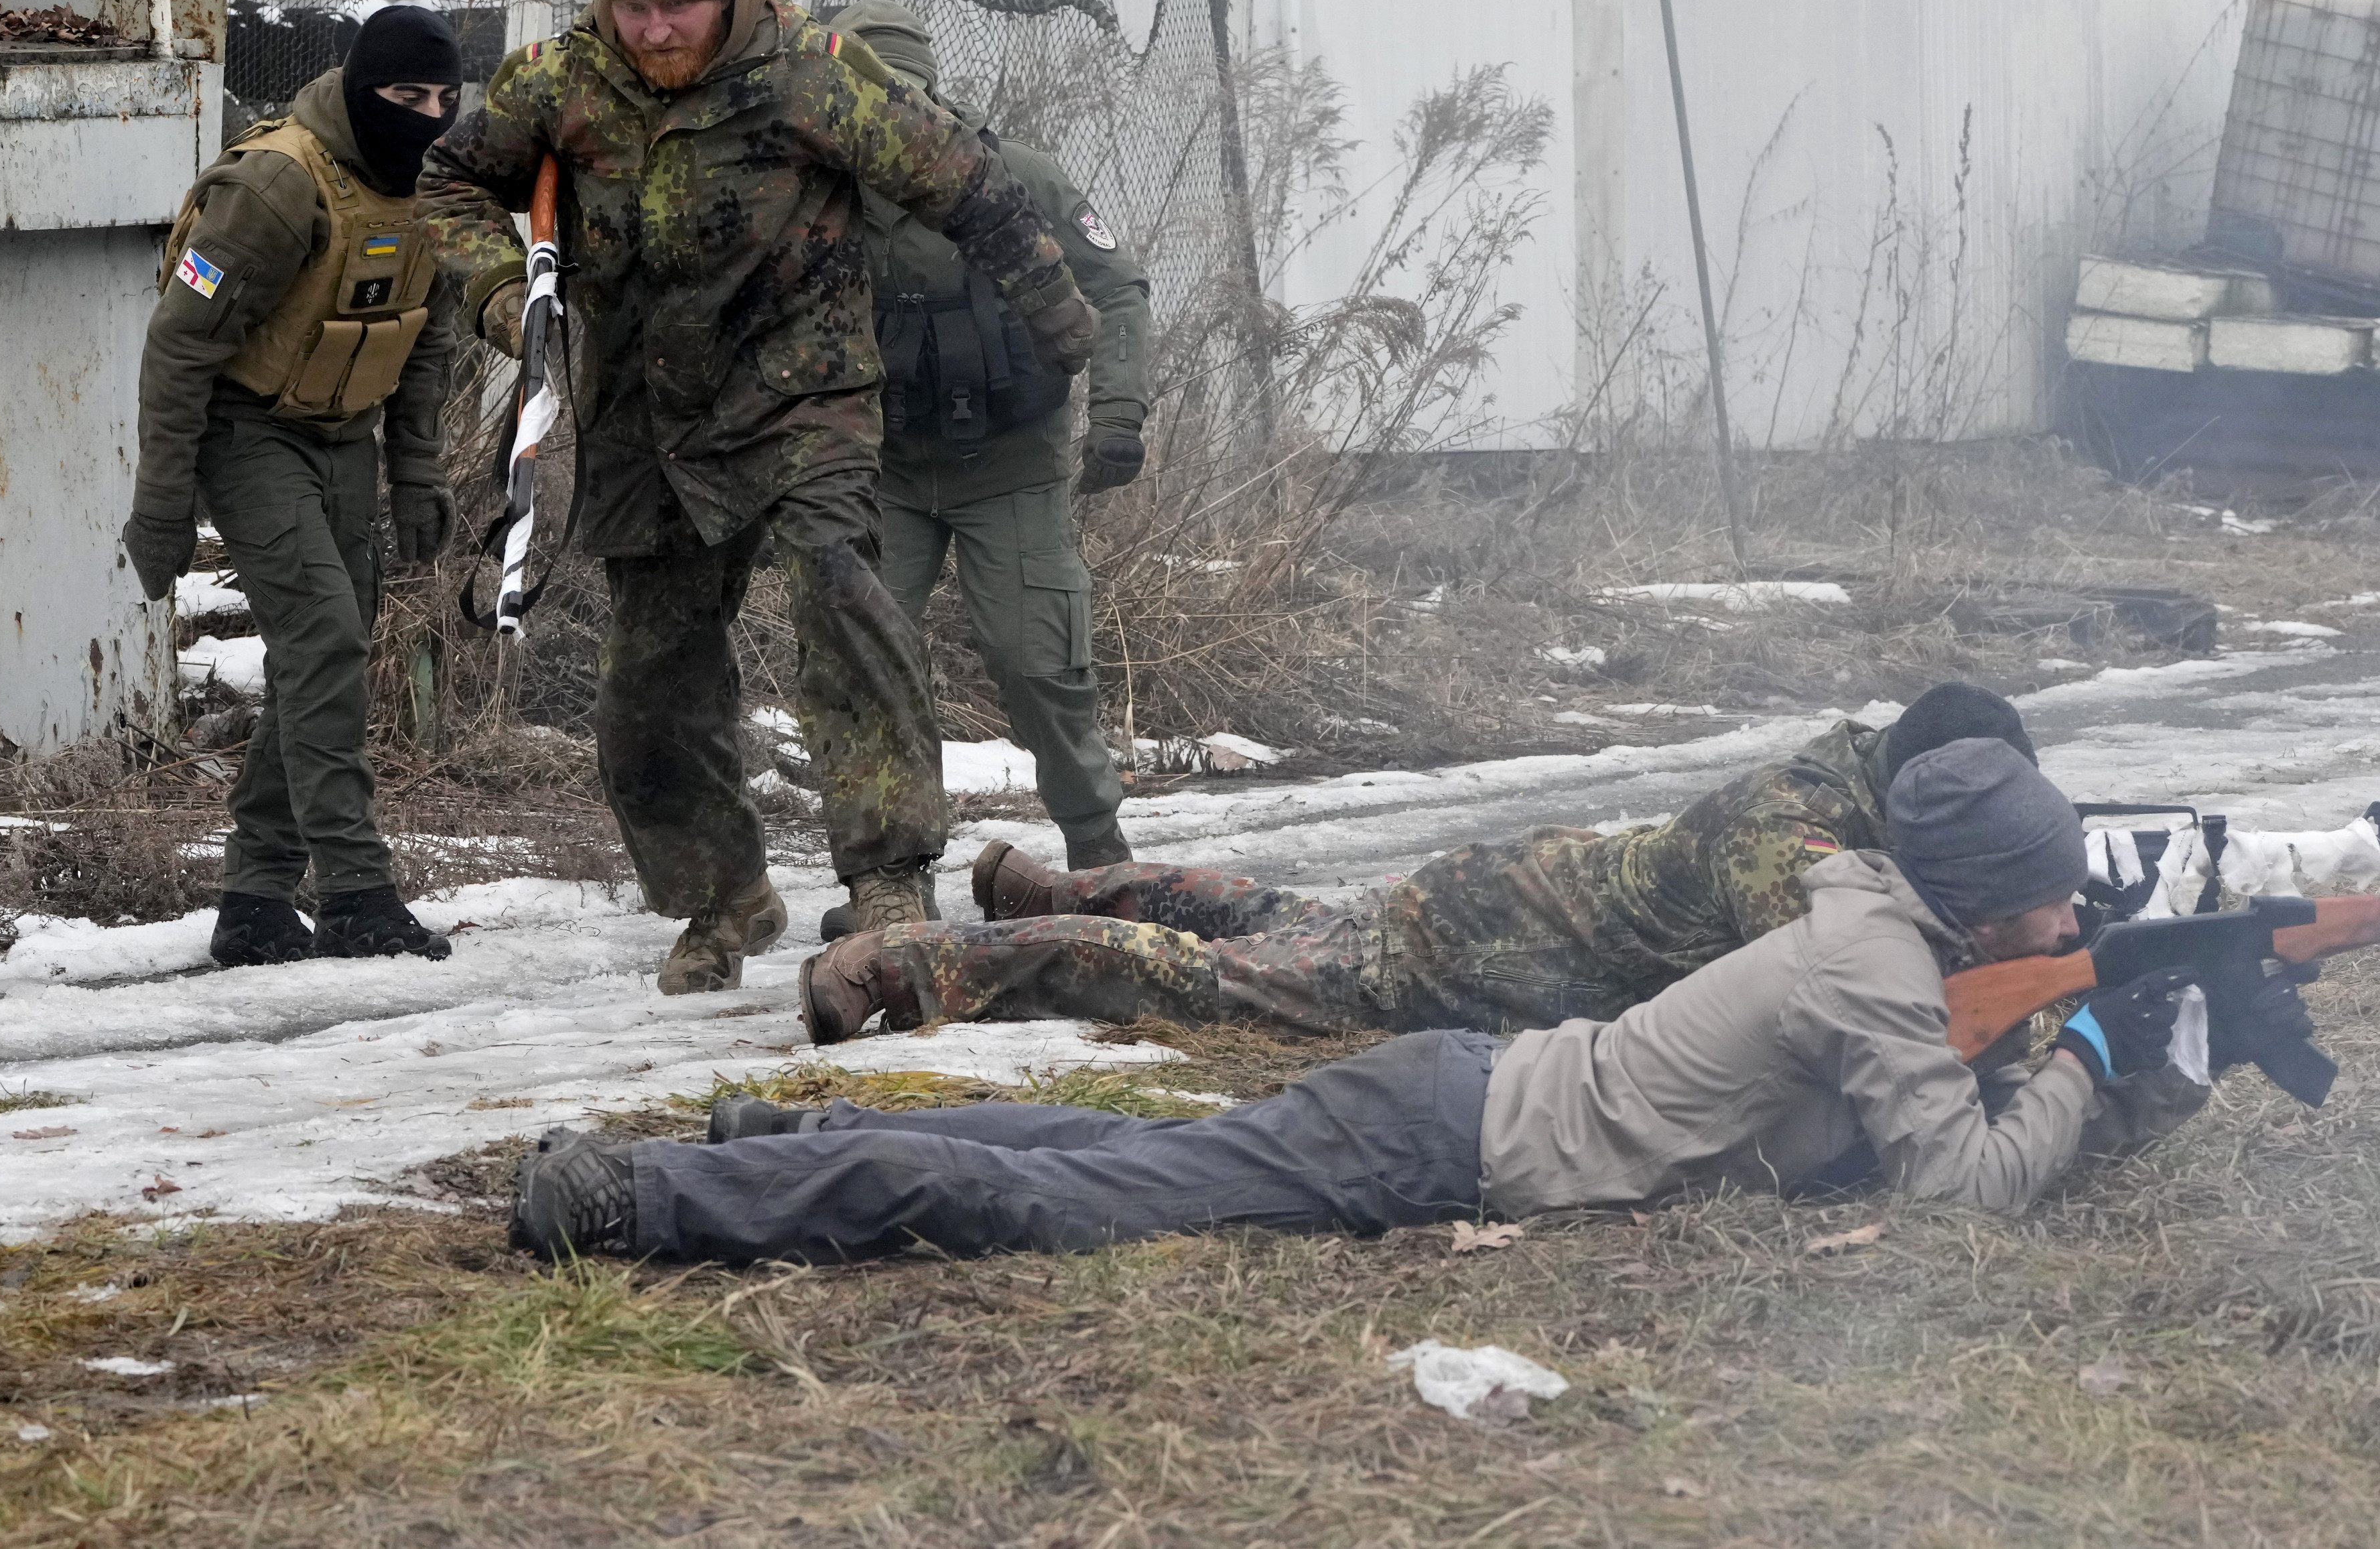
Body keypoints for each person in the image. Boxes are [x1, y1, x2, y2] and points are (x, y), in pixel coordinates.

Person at [509, 739, 2304, 1263]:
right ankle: (650, 1194)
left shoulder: (1890, 930)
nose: (2075, 910)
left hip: (1458, 1098)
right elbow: (1960, 1178)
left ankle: (778, 1135)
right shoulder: (1867, 963)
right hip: (1447, 1130)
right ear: (1983, 891)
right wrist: (2081, 1050)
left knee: (1115, 1146)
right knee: (1053, 1193)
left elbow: (1930, 1094)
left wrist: (2141, 1041)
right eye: (2057, 889)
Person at [415, 0, 1103, 996]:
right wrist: (503, 291)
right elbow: (449, 181)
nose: (655, 31)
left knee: (840, 592)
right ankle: (719, 898)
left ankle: (888, 876)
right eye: (633, 9)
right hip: (644, 416)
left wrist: (1060, 319)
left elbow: (967, 184)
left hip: (803, 396)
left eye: (676, 6)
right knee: (649, 677)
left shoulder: (813, 75)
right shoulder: (557, 82)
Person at [794, 681, 2038, 1042]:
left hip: (1497, 900)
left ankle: (1046, 885)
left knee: (1275, 916)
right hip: (1483, 948)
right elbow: (1845, 994)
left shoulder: (1831, 787)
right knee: (1204, 979)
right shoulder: (1801, 839)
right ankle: (907, 965)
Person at [799, 0, 1152, 944]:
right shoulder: (816, 193)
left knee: (1039, 663)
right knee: (864, 670)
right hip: (883, 471)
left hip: (1014, 465)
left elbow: (1116, 286)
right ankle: (886, 879)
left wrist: (1118, 412)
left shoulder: (1018, 175)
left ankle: (1097, 858)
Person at [123, 5, 466, 967]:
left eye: (446, 98)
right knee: (324, 639)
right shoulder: (277, 185)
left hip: (346, 436)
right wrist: (162, 506)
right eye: (407, 97)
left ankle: (255, 900)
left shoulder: (430, 185)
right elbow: (179, 346)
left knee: (323, 660)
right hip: (249, 433)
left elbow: (427, 336)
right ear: (363, 89)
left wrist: (418, 471)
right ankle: (356, 890)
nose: (429, 116)